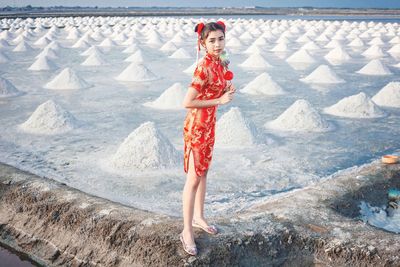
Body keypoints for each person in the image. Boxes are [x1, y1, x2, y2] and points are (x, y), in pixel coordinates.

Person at [180, 21, 235, 256]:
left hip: (209, 126)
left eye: (220, 39)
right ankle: (186, 230)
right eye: (211, 40)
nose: (217, 44)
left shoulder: (220, 62)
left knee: (204, 173)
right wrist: (219, 100)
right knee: (193, 179)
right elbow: (187, 101)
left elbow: (214, 91)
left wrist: (225, 92)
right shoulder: (203, 67)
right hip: (196, 128)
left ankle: (199, 217)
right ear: (202, 43)